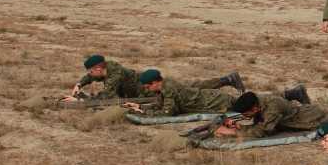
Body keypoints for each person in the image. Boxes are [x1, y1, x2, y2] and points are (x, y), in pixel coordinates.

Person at [126, 69, 307, 116]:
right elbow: (162, 105)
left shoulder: (169, 88)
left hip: (216, 102)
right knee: (252, 101)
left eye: (148, 87)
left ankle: (292, 94)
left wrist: (144, 112)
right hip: (212, 99)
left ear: (155, 82)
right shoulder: (166, 86)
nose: (147, 90)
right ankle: (291, 94)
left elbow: (167, 112)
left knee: (254, 103)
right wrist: (140, 106)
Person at [66, 54, 242, 102]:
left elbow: (108, 96)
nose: (90, 75)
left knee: (190, 89)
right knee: (190, 86)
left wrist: (82, 100)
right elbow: (90, 77)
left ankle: (227, 80)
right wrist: (79, 84)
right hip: (145, 86)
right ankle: (226, 80)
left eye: (91, 72)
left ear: (98, 68)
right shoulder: (106, 67)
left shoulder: (114, 73)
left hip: (147, 88)